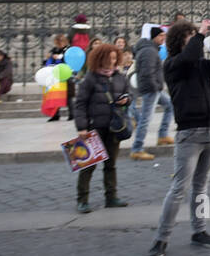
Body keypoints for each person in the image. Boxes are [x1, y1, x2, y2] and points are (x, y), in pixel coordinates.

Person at [147, 20, 210, 256]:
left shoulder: (200, 63)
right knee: (179, 188)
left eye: (194, 34)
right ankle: (162, 237)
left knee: (201, 186)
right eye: (189, 35)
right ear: (177, 40)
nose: (194, 38)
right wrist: (201, 35)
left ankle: (199, 230)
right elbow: (190, 55)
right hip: (190, 133)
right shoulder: (172, 65)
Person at [71, 43, 131, 213]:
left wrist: (127, 100)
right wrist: (81, 127)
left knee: (110, 164)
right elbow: (80, 104)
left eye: (114, 58)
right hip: (94, 127)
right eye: (108, 58)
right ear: (100, 59)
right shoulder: (90, 78)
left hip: (114, 127)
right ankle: (82, 199)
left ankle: (111, 197)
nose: (112, 62)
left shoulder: (120, 77)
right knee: (88, 165)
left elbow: (129, 95)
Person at [130, 27, 172, 161]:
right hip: (151, 89)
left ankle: (163, 135)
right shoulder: (149, 51)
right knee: (145, 119)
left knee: (170, 106)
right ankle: (137, 148)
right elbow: (147, 72)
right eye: (161, 36)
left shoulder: (151, 49)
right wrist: (155, 87)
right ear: (154, 37)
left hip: (155, 88)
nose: (163, 38)